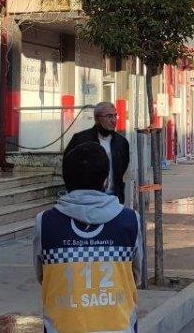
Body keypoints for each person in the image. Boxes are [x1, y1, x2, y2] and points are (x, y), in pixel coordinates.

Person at [35, 142, 141, 333]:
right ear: (106, 180)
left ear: (66, 179)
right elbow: (136, 275)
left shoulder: (45, 223)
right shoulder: (131, 221)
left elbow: (42, 276)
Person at [65, 102, 130, 204]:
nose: (114, 120)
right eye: (109, 116)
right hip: (86, 199)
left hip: (113, 198)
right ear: (97, 119)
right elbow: (67, 167)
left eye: (115, 116)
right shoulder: (80, 139)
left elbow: (122, 169)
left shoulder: (121, 143)